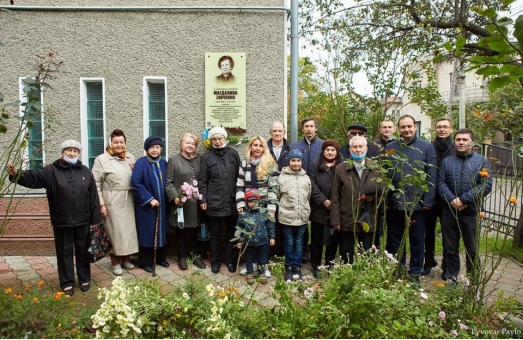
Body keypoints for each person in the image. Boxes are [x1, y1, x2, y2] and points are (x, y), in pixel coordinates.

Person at [6, 140, 101, 296]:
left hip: (83, 220)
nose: (72, 153)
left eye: (75, 151)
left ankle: (84, 279)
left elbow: (94, 197)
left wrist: (95, 219)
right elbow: (33, 177)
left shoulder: (85, 171)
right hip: (62, 220)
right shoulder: (51, 171)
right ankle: (67, 282)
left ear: (78, 153)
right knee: (64, 253)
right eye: (69, 150)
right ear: (63, 152)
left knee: (83, 251)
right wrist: (16, 174)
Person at [386, 115, 437, 282]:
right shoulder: (391, 146)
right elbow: (386, 174)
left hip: (418, 203)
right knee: (396, 239)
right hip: (396, 202)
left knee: (417, 240)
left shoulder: (427, 147)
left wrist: (428, 200)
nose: (406, 130)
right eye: (403, 127)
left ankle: (415, 272)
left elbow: (431, 174)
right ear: (398, 129)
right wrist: (387, 200)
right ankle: (398, 269)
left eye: (409, 126)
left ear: (415, 127)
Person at [437, 128, 492, 282]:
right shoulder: (447, 162)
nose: (461, 142)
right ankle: (451, 276)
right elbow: (441, 183)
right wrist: (453, 200)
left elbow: (485, 185)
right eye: (458, 139)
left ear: (472, 142)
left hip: (471, 212)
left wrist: (464, 200)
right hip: (450, 211)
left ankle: (473, 278)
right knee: (450, 247)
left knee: (472, 248)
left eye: (464, 140)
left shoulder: (482, 161)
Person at [92, 129, 139, 276]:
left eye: (122, 142)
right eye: (116, 142)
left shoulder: (131, 157)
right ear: (110, 143)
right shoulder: (102, 159)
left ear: (125, 143)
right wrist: (101, 204)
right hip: (112, 199)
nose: (119, 145)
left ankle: (126, 259)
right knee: (115, 232)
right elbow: (95, 184)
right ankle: (115, 262)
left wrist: (136, 169)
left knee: (128, 232)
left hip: (129, 198)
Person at [330, 136, 383, 264]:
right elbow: (335, 196)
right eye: (355, 147)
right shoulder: (341, 169)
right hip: (347, 218)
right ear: (349, 150)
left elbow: (383, 193)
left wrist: (373, 197)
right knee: (346, 254)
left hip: (368, 219)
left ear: (366, 149)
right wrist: (336, 220)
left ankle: (366, 281)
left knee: (367, 254)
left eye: (360, 147)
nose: (358, 150)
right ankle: (348, 280)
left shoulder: (376, 168)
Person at [198, 126, 241, 274]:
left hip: (232, 201)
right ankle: (215, 262)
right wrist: (203, 199)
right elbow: (202, 180)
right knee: (215, 234)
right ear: (211, 141)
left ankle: (231, 261)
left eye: (220, 138)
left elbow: (239, 178)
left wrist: (240, 199)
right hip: (213, 201)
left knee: (232, 234)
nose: (217, 141)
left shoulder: (233, 155)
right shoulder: (206, 158)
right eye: (214, 139)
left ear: (225, 138)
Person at [236, 136, 279, 277]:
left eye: (260, 146)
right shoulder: (244, 164)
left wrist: (271, 209)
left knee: (262, 239)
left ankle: (262, 266)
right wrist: (241, 204)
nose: (258, 148)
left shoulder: (270, 164)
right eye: (255, 145)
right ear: (250, 147)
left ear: (264, 148)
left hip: (263, 206)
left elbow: (273, 188)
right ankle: (251, 265)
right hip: (248, 205)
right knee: (249, 236)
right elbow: (240, 185)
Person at [165, 133, 207, 271]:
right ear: (181, 144)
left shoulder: (200, 159)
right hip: (181, 203)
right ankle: (181, 256)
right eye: (187, 143)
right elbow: (168, 183)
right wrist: (175, 197)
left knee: (195, 230)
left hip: (196, 204)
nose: (190, 145)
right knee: (181, 231)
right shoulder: (174, 160)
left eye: (192, 143)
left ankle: (195, 256)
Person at [421, 117, 457, 276]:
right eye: (439, 127)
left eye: (445, 127)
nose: (442, 129)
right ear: (435, 129)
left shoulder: (456, 148)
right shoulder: (428, 147)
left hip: (449, 197)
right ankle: (428, 260)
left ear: (451, 129)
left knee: (448, 233)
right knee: (427, 232)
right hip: (430, 196)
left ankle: (447, 265)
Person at [130, 136, 169, 273]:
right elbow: (135, 183)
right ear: (147, 149)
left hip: (162, 205)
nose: (155, 150)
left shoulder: (164, 163)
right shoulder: (141, 163)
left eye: (157, 147)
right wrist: (149, 199)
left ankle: (160, 258)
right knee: (148, 231)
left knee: (161, 231)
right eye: (152, 148)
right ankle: (145, 261)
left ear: (161, 149)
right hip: (147, 206)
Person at [291, 117, 323, 263]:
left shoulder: (323, 145)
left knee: (316, 222)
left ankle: (315, 251)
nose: (309, 129)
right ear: (302, 129)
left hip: (318, 190)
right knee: (301, 221)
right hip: (299, 189)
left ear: (316, 128)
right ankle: (303, 250)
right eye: (306, 126)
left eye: (311, 126)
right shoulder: (295, 146)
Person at [309, 140, 343, 277]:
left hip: (336, 209)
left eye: (333, 150)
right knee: (317, 239)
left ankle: (329, 264)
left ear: (337, 152)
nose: (330, 152)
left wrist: (334, 203)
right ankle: (316, 266)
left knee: (333, 240)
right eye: (327, 150)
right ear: (323, 151)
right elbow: (312, 183)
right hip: (319, 208)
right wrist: (323, 200)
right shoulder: (315, 165)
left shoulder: (342, 166)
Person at [277, 149, 311, 281]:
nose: (296, 163)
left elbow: (308, 196)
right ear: (289, 161)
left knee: (299, 242)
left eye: (298, 161)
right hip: (287, 217)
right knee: (289, 242)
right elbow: (278, 196)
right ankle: (289, 267)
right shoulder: (282, 177)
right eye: (293, 160)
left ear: (301, 162)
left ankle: (297, 266)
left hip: (302, 216)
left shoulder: (306, 178)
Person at [236, 191, 276, 285]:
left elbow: (270, 225)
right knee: (249, 258)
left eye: (255, 201)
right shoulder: (243, 215)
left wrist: (272, 237)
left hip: (263, 241)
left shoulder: (264, 212)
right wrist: (239, 241)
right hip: (249, 242)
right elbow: (239, 228)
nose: (253, 203)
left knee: (262, 258)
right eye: (250, 201)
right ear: (246, 202)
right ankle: (250, 274)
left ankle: (262, 273)